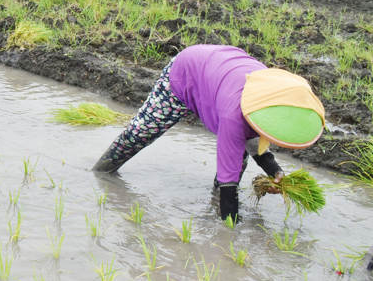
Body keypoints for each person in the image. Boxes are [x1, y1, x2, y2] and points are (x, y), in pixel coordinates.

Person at [92, 44, 325, 221]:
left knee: (238, 161)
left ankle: (216, 204)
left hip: (221, 75)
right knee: (142, 132)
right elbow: (229, 178)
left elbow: (255, 140)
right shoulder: (234, 115)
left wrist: (277, 174)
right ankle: (101, 171)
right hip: (187, 71)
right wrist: (230, 230)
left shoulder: (271, 100)